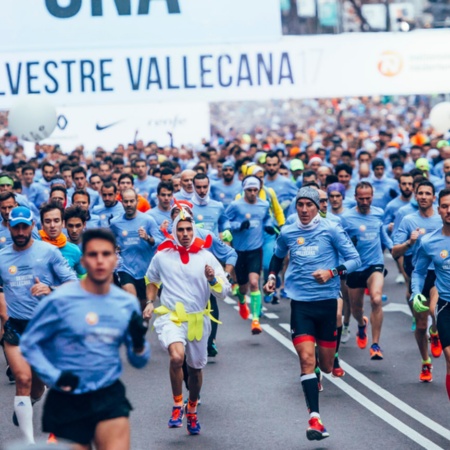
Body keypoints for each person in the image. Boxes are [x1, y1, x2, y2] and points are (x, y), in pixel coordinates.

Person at [20, 228, 150, 448]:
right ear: (83, 260)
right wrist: (55, 376)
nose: (100, 260)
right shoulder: (60, 300)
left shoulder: (126, 304)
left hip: (108, 395)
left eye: (106, 254)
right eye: (93, 254)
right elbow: (30, 344)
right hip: (68, 398)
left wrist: (138, 344)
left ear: (115, 259)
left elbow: (138, 360)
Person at [263, 187, 361, 441]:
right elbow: (277, 257)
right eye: (300, 205)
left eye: (309, 205)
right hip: (301, 305)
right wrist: (272, 277)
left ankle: (322, 362)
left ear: (318, 206)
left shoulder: (331, 229)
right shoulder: (288, 231)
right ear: (295, 206)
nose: (304, 210)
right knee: (307, 361)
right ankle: (315, 419)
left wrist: (332, 272)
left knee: (326, 366)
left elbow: (355, 260)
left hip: (327, 303)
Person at [143, 208, 230, 435]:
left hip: (198, 319)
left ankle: (191, 407)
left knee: (195, 370)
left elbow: (225, 291)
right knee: (176, 356)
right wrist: (150, 302)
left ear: (194, 230)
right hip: (172, 317)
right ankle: (176, 404)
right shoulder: (162, 256)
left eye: (188, 229)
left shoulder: (206, 256)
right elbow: (151, 280)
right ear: (174, 231)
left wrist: (212, 279)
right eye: (180, 229)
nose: (184, 233)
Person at [0, 206, 77, 444]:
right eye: (16, 227)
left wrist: (50, 288)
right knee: (22, 379)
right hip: (16, 328)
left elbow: (73, 283)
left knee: (38, 384)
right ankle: (29, 443)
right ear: (9, 227)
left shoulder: (49, 252)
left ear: (33, 226)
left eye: (25, 226)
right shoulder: (2, 257)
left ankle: (33, 399)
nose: (21, 231)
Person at [392, 180, 443, 381]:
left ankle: (436, 330)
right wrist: (409, 242)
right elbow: (395, 251)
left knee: (434, 309)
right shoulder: (408, 220)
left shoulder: (442, 219)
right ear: (415, 195)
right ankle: (425, 362)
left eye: (427, 193)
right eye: (420, 193)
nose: (423, 196)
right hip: (418, 272)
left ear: (433, 197)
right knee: (420, 325)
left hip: (438, 271)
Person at [340, 181, 393, 360]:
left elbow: (383, 236)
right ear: (355, 198)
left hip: (374, 265)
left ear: (372, 196)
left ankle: (376, 345)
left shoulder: (379, 214)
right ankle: (361, 326)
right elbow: (339, 242)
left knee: (376, 299)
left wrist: (395, 249)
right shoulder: (346, 218)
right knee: (356, 308)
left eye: (368, 198)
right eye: (361, 198)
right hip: (355, 267)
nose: (364, 201)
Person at [411, 188, 450, 400]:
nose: (449, 210)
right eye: (445, 206)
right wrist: (416, 292)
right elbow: (418, 271)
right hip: (446, 305)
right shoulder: (428, 242)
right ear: (439, 210)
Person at [225, 175, 273, 333]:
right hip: (239, 251)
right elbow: (225, 222)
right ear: (244, 190)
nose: (253, 193)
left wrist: (268, 226)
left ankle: (255, 320)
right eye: (249, 190)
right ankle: (241, 300)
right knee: (243, 287)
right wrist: (239, 225)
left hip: (255, 249)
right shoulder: (236, 205)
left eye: (255, 190)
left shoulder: (264, 204)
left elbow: (266, 219)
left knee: (254, 283)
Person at [110, 188, 160, 309]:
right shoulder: (115, 223)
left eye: (131, 201)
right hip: (125, 268)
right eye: (126, 202)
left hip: (145, 269)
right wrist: (113, 248)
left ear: (137, 201)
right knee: (132, 302)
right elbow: (110, 241)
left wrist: (147, 238)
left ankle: (140, 326)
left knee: (143, 306)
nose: (129, 205)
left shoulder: (148, 220)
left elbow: (159, 241)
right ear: (121, 202)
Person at [39, 201, 86, 278]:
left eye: (56, 221)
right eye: (47, 221)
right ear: (42, 224)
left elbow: (83, 277)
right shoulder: (33, 247)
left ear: (63, 223)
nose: (52, 225)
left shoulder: (74, 250)